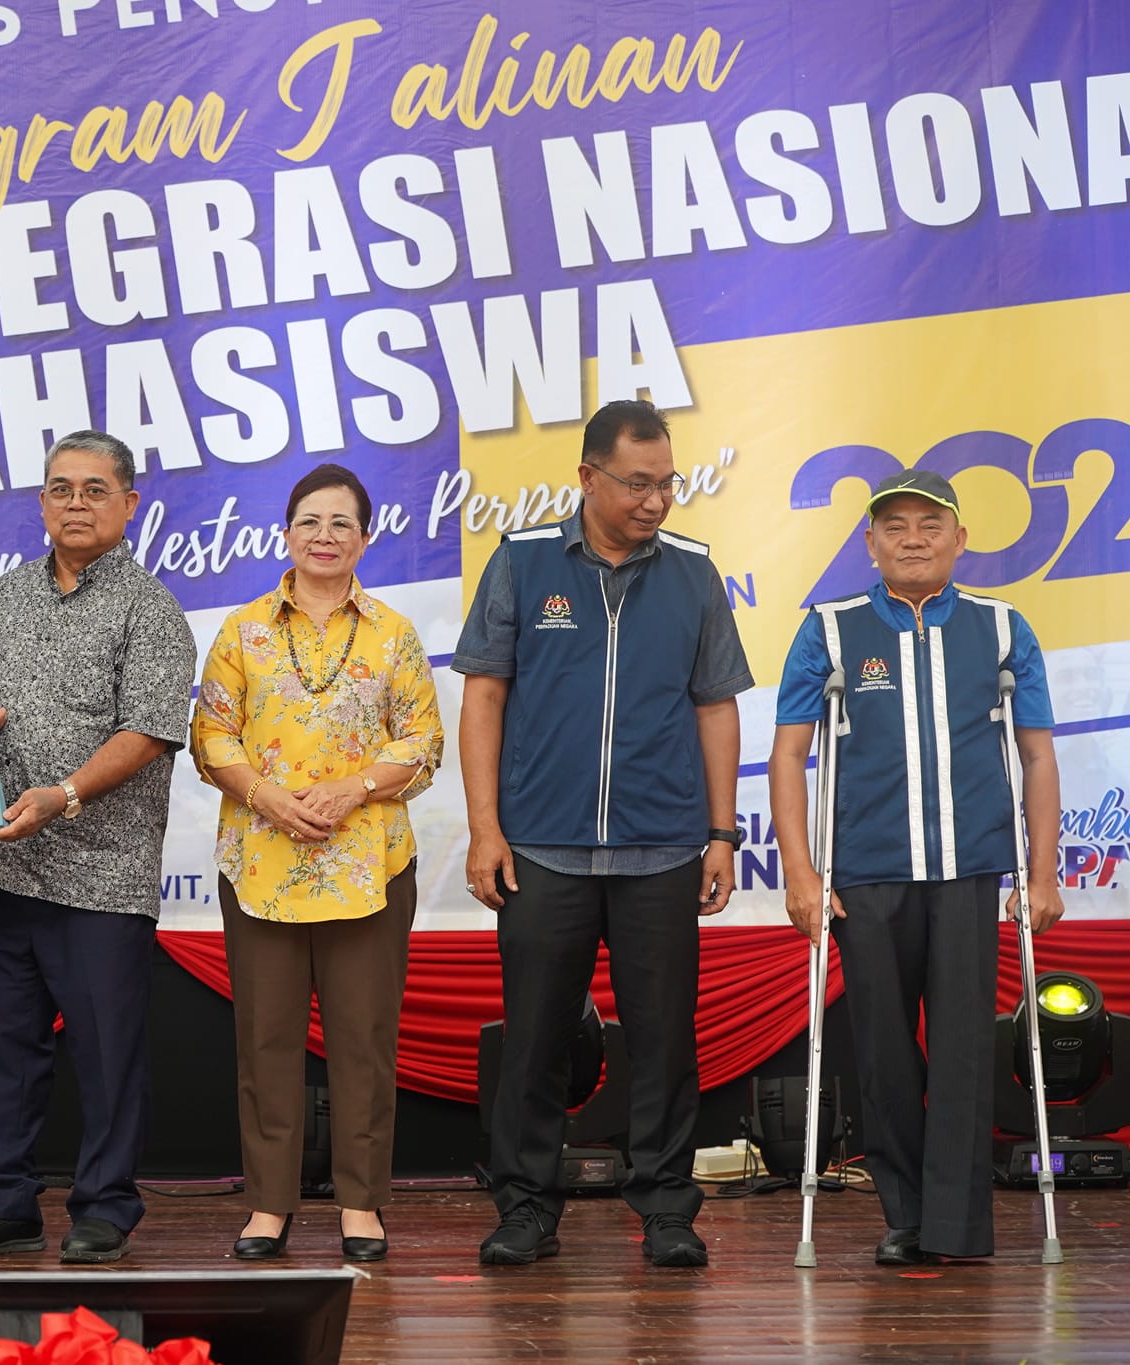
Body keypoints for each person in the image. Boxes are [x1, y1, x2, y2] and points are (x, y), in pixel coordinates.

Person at [454, 399, 751, 1268]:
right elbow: (484, 695)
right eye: (637, 483)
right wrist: (485, 828)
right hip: (541, 846)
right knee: (536, 1037)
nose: (655, 501)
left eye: (667, 484)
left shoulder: (694, 573)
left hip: (663, 847)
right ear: (587, 477)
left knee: (664, 1039)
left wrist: (722, 833)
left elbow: (716, 706)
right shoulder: (522, 562)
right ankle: (525, 1207)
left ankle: (666, 1207)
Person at [768, 469, 1062, 1264]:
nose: (913, 538)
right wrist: (801, 873)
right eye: (894, 526)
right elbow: (789, 754)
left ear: (960, 538)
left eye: (931, 525)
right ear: (869, 542)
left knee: (965, 1047)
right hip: (868, 872)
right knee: (884, 1049)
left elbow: (1036, 755)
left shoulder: (1001, 628)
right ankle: (904, 1212)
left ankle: (957, 1225)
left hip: (969, 869)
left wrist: (1041, 874)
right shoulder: (830, 630)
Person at [0, 430, 197, 1265]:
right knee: (0, 1051)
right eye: (60, 488)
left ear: (129, 504)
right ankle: (2, 1203)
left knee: (107, 1055)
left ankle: (106, 1206)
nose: (76, 503)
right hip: (4, 862)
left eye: (94, 489)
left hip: (101, 875)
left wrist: (65, 796)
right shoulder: (5, 593)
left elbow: (149, 731)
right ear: (41, 501)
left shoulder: (150, 608)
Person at [191, 464, 443, 1262]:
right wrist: (265, 795)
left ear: (365, 538)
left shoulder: (394, 633)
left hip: (367, 866)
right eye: (310, 521)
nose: (324, 536)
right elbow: (210, 735)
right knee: (265, 1041)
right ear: (286, 534)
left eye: (341, 523)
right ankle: (269, 1205)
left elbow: (424, 742)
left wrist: (352, 788)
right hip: (261, 865)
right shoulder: (243, 630)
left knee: (363, 1042)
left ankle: (361, 1204)